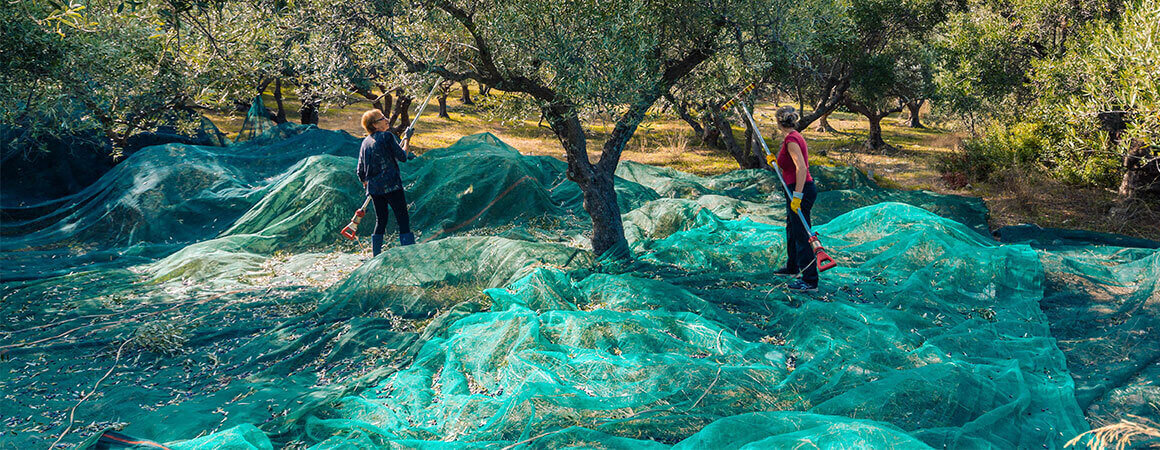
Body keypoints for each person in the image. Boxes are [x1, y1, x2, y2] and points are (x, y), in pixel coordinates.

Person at [768, 106, 819, 291]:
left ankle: (810, 280)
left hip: (800, 190)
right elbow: (790, 165)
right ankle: (792, 267)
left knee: (801, 235)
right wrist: (776, 162)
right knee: (792, 229)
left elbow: (802, 168)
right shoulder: (793, 136)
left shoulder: (791, 139)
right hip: (795, 189)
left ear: (778, 122)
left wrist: (797, 196)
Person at [357, 109, 417, 255]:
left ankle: (376, 255)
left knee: (381, 220)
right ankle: (409, 252)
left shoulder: (365, 142)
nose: (386, 119)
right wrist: (407, 138)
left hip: (375, 189)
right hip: (392, 186)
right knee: (402, 218)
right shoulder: (387, 137)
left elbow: (360, 171)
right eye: (381, 118)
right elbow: (403, 157)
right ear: (374, 125)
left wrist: (366, 182)